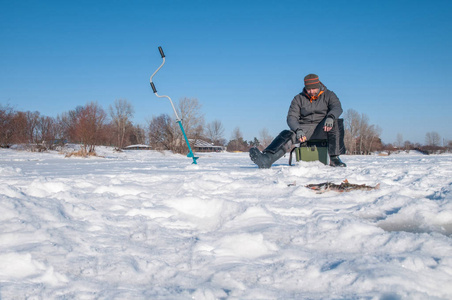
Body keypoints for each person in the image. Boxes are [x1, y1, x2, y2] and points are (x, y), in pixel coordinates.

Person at [249, 74, 346, 168]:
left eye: (314, 89)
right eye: (309, 89)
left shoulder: (329, 95)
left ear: (319, 85)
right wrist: (297, 129)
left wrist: (331, 117)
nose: (311, 91)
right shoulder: (298, 99)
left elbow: (337, 107)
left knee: (337, 123)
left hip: (323, 128)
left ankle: (334, 158)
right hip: (304, 129)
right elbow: (291, 117)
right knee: (287, 134)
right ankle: (267, 159)